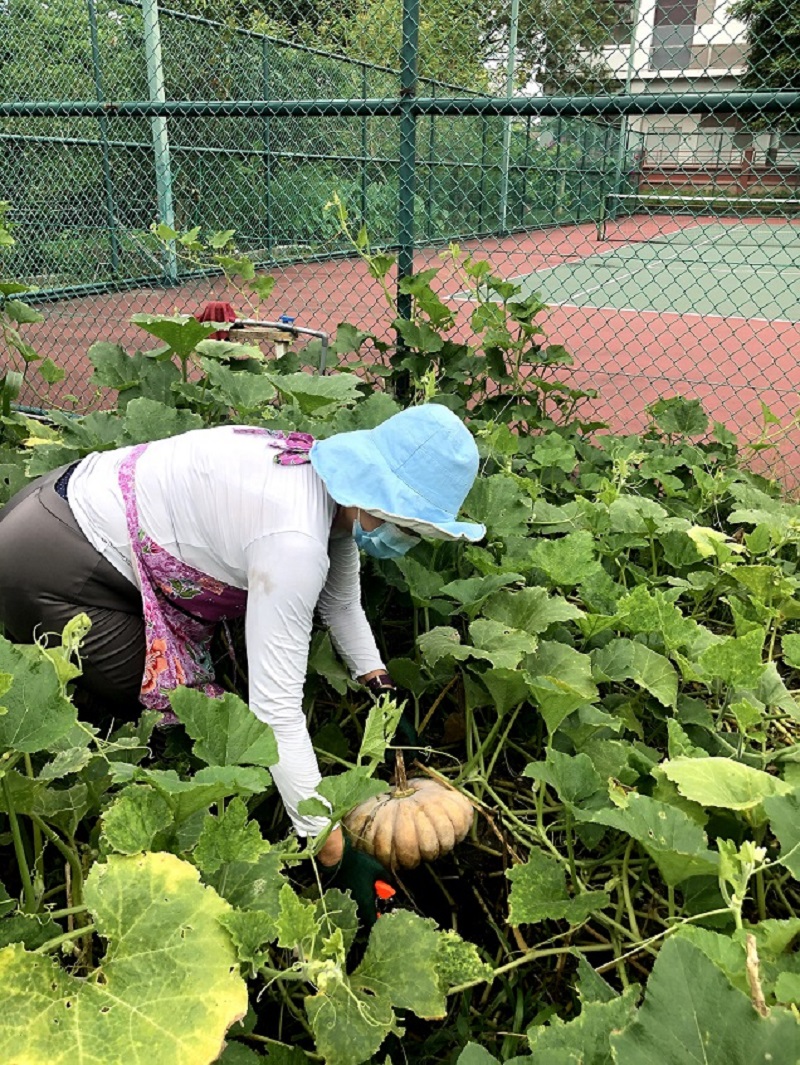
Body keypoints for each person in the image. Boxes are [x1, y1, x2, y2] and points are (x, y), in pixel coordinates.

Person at [0, 403, 485, 880]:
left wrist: (381, 687)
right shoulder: (294, 540)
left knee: (186, 700)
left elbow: (340, 605)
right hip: (52, 560)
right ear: (376, 496)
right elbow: (273, 710)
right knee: (162, 709)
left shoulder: (324, 483)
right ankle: (105, 824)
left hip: (62, 497)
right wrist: (330, 848)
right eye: (407, 527)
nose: (406, 541)